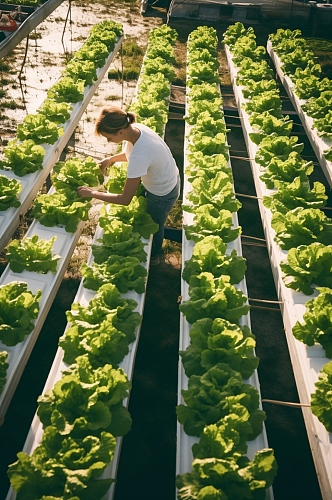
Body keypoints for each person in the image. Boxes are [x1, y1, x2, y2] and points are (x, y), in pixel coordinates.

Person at [77, 105, 180, 265]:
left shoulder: (140, 154)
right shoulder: (136, 129)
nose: (108, 141)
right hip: (169, 176)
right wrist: (109, 160)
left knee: (155, 226)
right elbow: (129, 154)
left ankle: (154, 258)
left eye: (108, 137)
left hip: (162, 194)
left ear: (120, 132)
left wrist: (93, 193)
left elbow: (125, 199)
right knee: (152, 220)